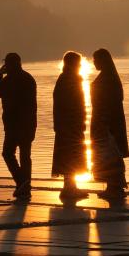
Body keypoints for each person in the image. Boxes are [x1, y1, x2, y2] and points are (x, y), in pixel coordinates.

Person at [0, 53, 38, 200]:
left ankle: (22, 182)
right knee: (25, 156)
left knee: (8, 153)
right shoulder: (28, 78)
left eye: (6, 63)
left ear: (9, 64)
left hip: (13, 125)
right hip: (28, 124)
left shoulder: (8, 80)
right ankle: (24, 185)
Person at [90, 48, 129, 200]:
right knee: (109, 155)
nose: (94, 63)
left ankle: (114, 186)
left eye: (96, 60)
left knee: (111, 154)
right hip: (108, 122)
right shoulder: (110, 77)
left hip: (107, 123)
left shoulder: (107, 79)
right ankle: (113, 186)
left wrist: (104, 124)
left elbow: (108, 104)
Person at [52, 51, 88, 201]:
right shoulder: (70, 80)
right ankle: (69, 188)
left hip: (66, 125)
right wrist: (80, 121)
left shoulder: (65, 79)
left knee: (70, 155)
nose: (79, 66)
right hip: (70, 125)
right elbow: (75, 104)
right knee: (71, 155)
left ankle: (71, 186)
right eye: (78, 63)